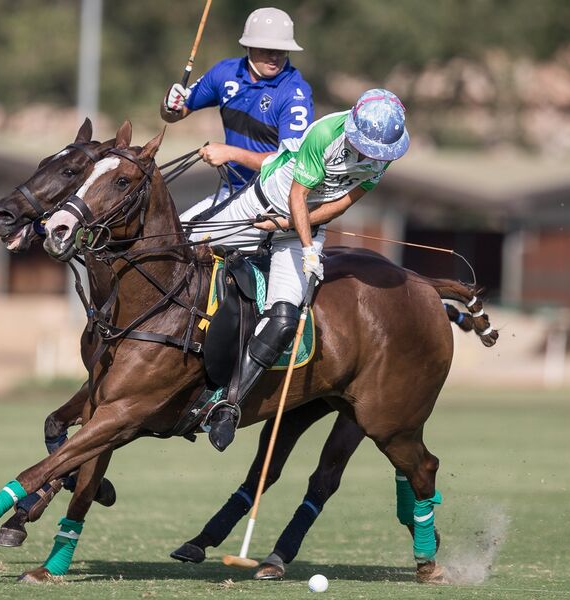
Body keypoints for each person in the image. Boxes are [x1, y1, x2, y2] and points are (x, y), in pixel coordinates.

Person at [193, 89, 412, 451]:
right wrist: (305, 243)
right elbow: (297, 195)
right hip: (258, 207)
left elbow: (341, 202)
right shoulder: (325, 134)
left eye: (376, 152)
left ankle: (228, 407)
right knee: (182, 253)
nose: (370, 156)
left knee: (284, 318)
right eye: (366, 148)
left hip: (300, 229)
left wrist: (296, 235)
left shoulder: (382, 154)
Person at [161, 7, 313, 221]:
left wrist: (231, 153)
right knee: (178, 237)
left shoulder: (295, 94)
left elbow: (290, 162)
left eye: (281, 50)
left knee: (189, 242)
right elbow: (174, 115)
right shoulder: (224, 73)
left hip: (275, 198)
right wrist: (169, 104)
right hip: (232, 191)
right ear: (248, 46)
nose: (274, 56)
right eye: (266, 49)